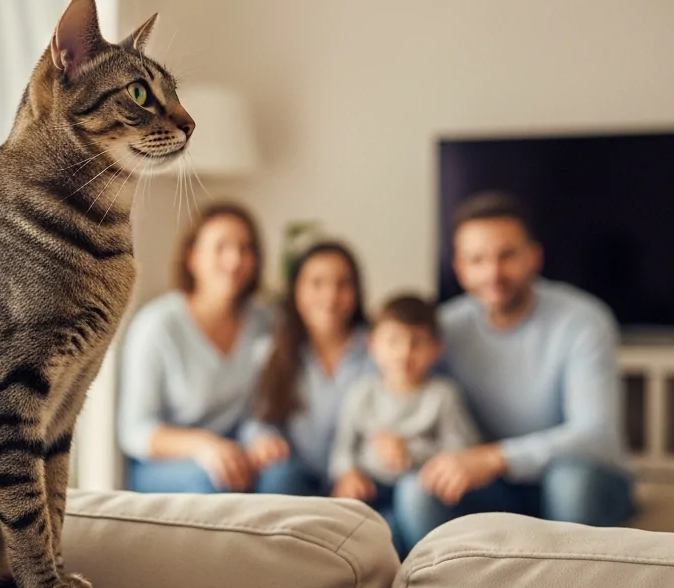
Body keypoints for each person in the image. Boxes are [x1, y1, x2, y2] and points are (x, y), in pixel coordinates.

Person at [396, 191, 635, 551]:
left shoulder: (583, 320)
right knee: (417, 490)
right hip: (496, 487)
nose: (493, 273)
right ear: (459, 268)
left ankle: (565, 587)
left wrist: (495, 458)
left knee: (569, 483)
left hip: (585, 478)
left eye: (506, 255)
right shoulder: (445, 328)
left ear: (533, 257)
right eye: (477, 260)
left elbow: (594, 434)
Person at [118, 203, 308, 494]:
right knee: (213, 483)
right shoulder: (157, 326)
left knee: (285, 475)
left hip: (236, 450)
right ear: (193, 257)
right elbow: (135, 431)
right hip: (170, 462)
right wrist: (205, 447)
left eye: (246, 248)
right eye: (221, 247)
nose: (235, 260)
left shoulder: (265, 322)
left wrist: (261, 438)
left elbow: (257, 409)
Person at [332, 295, 480, 555]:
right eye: (393, 341)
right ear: (373, 345)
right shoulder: (361, 393)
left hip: (422, 493)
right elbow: (343, 449)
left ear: (436, 349)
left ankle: (428, 566)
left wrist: (410, 452)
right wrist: (348, 474)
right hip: (372, 490)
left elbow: (463, 452)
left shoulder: (442, 395)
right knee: (367, 527)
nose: (404, 353)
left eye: (417, 342)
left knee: (404, 514)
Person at [247, 241, 374, 495]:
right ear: (296, 290)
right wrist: (262, 438)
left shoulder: (380, 350)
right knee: (277, 479)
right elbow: (256, 416)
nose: (330, 296)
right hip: (297, 474)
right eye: (317, 283)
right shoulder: (271, 352)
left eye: (343, 284)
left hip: (363, 479)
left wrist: (356, 468)